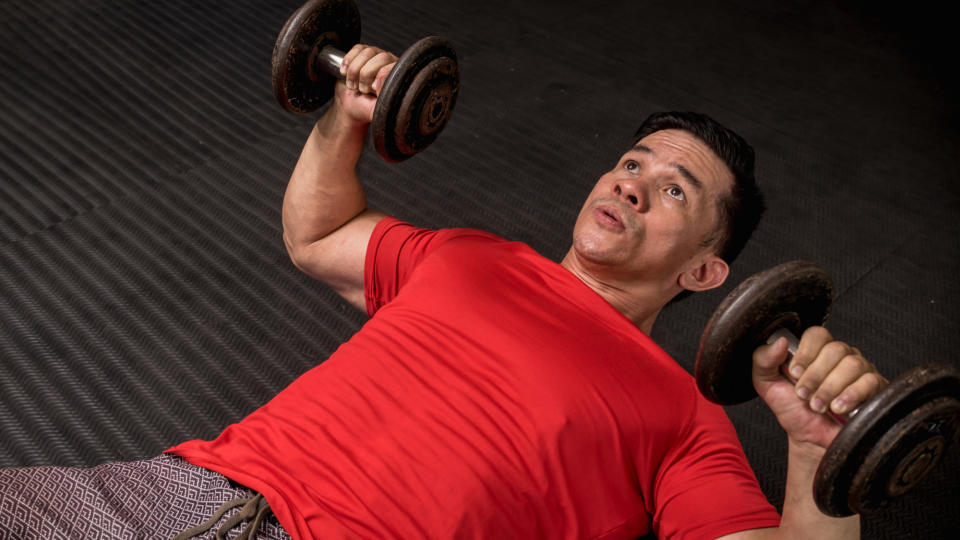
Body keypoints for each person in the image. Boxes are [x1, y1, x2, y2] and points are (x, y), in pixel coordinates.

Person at [0, 45, 887, 540]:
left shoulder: (685, 415)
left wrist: (815, 453)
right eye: (631, 164)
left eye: (676, 191)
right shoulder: (470, 256)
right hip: (177, 494)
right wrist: (344, 117)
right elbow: (316, 237)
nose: (631, 186)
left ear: (704, 271)